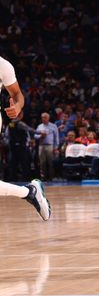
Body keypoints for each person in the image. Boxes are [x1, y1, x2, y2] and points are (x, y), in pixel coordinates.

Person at [0, 56, 51, 220]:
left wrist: (17, 106)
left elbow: (17, 94)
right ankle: (30, 192)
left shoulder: (3, 65)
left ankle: (30, 192)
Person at [34, 112, 59, 181]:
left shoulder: (53, 126)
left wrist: (56, 147)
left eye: (45, 117)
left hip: (50, 146)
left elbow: (56, 137)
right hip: (41, 146)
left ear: (48, 118)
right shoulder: (40, 126)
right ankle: (43, 177)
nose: (43, 119)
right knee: (42, 163)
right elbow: (35, 136)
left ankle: (51, 177)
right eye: (42, 117)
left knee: (50, 162)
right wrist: (40, 136)